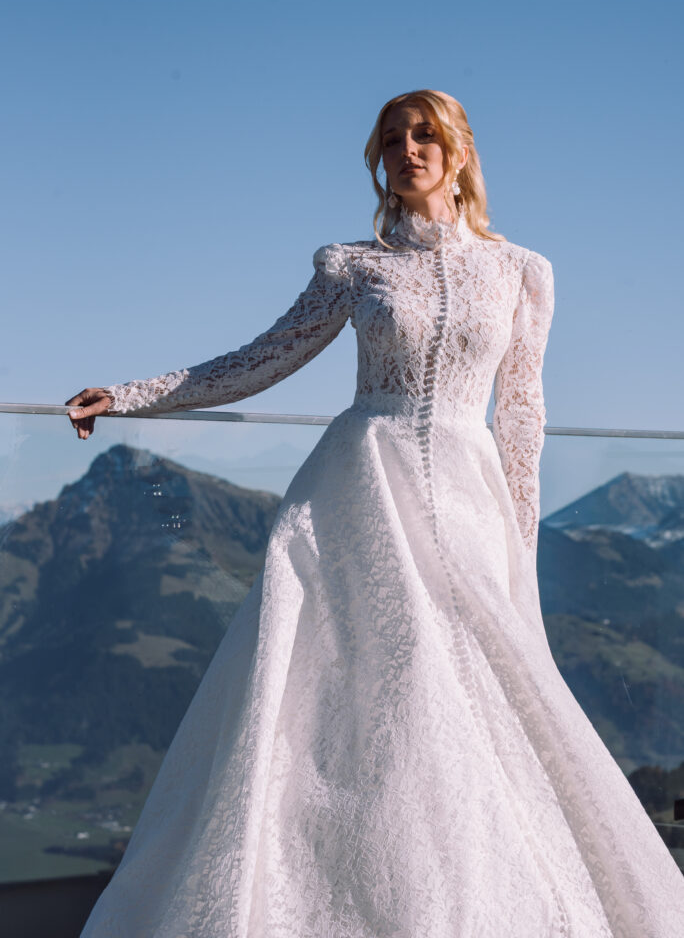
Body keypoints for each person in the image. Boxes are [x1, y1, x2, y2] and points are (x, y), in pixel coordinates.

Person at [67, 90, 684, 937]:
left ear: (459, 153)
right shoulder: (351, 266)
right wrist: (131, 396)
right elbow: (260, 359)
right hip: (356, 495)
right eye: (392, 140)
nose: (408, 150)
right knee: (365, 697)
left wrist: (522, 552)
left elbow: (522, 417)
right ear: (380, 161)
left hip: (470, 503)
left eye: (425, 135)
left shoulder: (523, 271)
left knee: (474, 697)